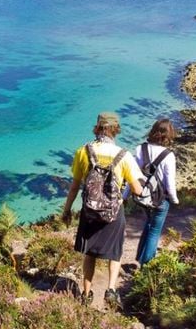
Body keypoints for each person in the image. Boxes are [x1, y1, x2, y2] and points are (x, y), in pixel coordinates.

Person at [62, 112, 143, 308]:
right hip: (114, 213)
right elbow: (137, 190)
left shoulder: (84, 151)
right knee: (114, 253)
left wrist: (66, 210)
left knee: (89, 254)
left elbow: (74, 186)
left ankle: (86, 294)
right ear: (116, 130)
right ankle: (111, 290)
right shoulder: (124, 155)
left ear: (97, 128)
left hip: (89, 212)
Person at [134, 118, 179, 266]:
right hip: (161, 199)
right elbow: (169, 183)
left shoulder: (140, 149)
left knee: (148, 223)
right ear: (169, 135)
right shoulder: (169, 155)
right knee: (154, 231)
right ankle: (146, 265)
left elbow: (133, 176)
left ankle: (140, 256)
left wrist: (125, 196)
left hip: (144, 196)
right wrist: (175, 200)